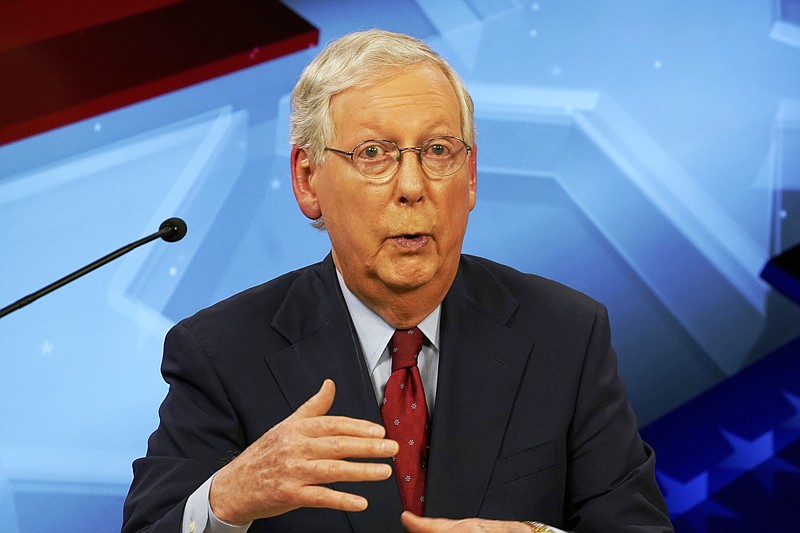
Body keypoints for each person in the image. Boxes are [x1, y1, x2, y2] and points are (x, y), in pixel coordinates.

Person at [121, 29, 673, 533]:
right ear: (308, 180)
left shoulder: (566, 333)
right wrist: (228, 499)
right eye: (373, 154)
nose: (412, 186)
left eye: (437, 151)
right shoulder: (221, 353)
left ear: (472, 175)